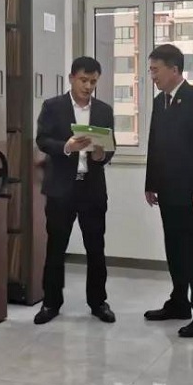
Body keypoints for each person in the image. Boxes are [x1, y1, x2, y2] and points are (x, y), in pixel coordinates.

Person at [144, 44, 193, 338]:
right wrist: (151, 182)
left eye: (156, 70)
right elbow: (154, 143)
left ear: (174, 69)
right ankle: (179, 303)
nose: (152, 76)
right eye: (151, 70)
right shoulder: (160, 101)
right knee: (174, 248)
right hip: (167, 191)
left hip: (191, 193)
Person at [33, 56, 116, 325]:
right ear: (71, 78)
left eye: (93, 81)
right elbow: (42, 140)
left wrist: (102, 155)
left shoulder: (103, 110)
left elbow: (110, 147)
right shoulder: (53, 106)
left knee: (96, 248)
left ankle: (98, 302)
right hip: (61, 189)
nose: (88, 86)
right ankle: (50, 303)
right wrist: (66, 147)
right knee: (56, 247)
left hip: (92, 188)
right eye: (83, 80)